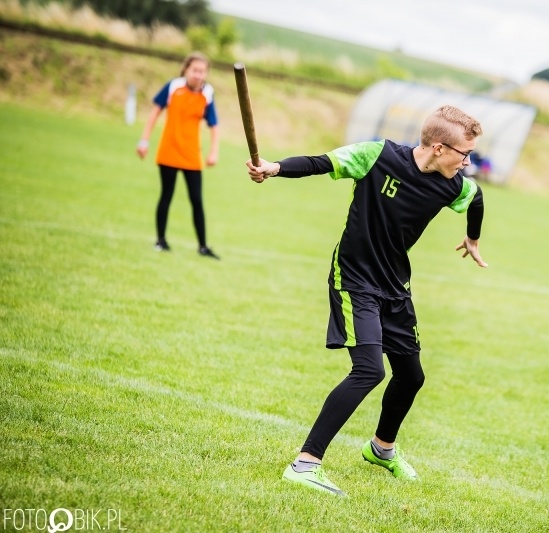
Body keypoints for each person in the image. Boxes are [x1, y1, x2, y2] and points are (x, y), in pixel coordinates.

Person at [246, 105, 488, 496]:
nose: (468, 162)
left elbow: (476, 199)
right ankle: (305, 464)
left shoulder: (452, 185)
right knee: (369, 370)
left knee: (411, 377)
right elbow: (321, 162)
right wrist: (274, 168)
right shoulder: (378, 156)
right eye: (465, 154)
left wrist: (472, 238)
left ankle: (381, 449)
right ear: (440, 148)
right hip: (355, 279)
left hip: (395, 287)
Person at [136, 52, 221, 259]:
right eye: (195, 70)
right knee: (166, 195)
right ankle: (161, 240)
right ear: (186, 70)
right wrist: (144, 140)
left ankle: (203, 246)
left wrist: (213, 151)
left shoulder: (207, 93)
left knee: (196, 200)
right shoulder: (173, 87)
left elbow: (214, 125)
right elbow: (155, 111)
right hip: (169, 150)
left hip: (192, 154)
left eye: (203, 72)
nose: (199, 75)